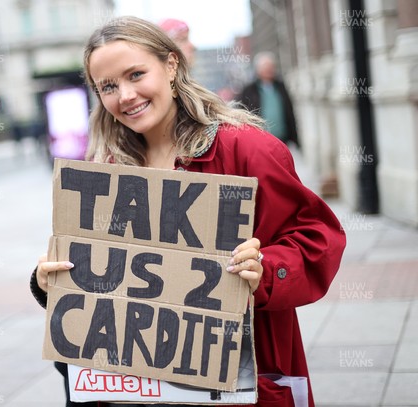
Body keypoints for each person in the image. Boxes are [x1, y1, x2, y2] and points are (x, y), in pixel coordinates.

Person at [30, 16, 345, 407]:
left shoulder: (247, 149)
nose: (125, 95)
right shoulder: (105, 170)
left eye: (136, 74)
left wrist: (265, 268)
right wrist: (51, 281)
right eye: (108, 86)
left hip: (240, 380)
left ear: (172, 65)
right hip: (138, 390)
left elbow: (317, 241)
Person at [237, 52, 300, 149]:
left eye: (271, 66)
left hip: (282, 138)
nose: (269, 70)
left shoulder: (281, 86)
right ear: (258, 69)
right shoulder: (249, 90)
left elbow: (289, 111)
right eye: (265, 67)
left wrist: (295, 138)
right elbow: (242, 113)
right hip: (260, 140)